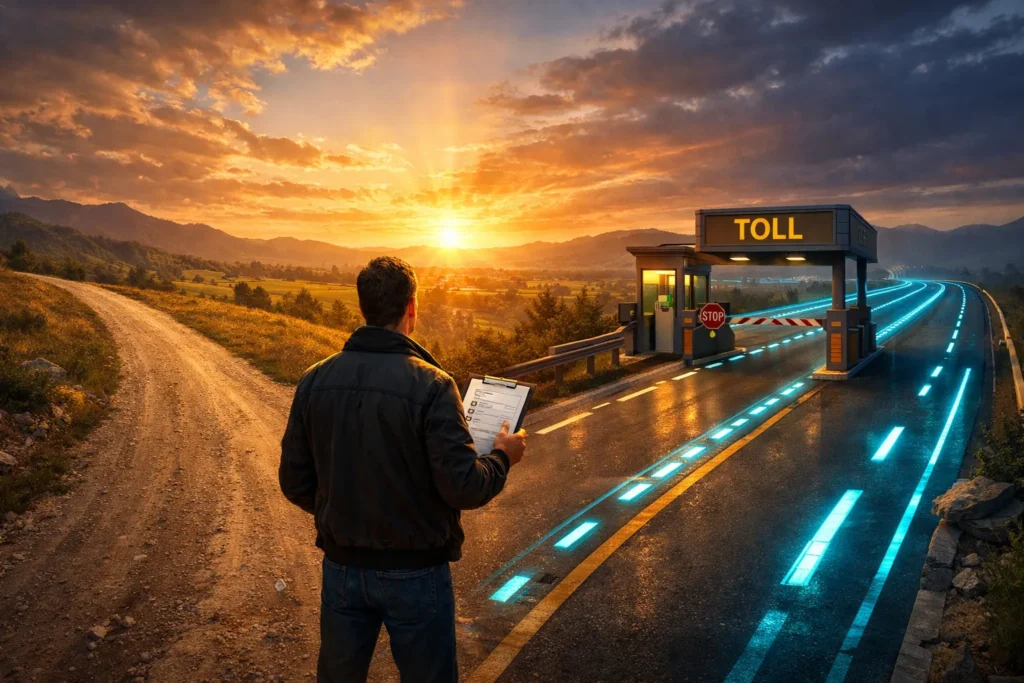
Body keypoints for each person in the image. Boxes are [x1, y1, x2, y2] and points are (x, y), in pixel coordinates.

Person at [279, 255, 526, 682]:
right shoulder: (433, 385)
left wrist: (339, 510)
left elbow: (295, 482)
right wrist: (502, 456)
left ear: (364, 309)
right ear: (411, 307)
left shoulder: (314, 380)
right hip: (416, 573)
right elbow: (464, 487)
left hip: (341, 569)